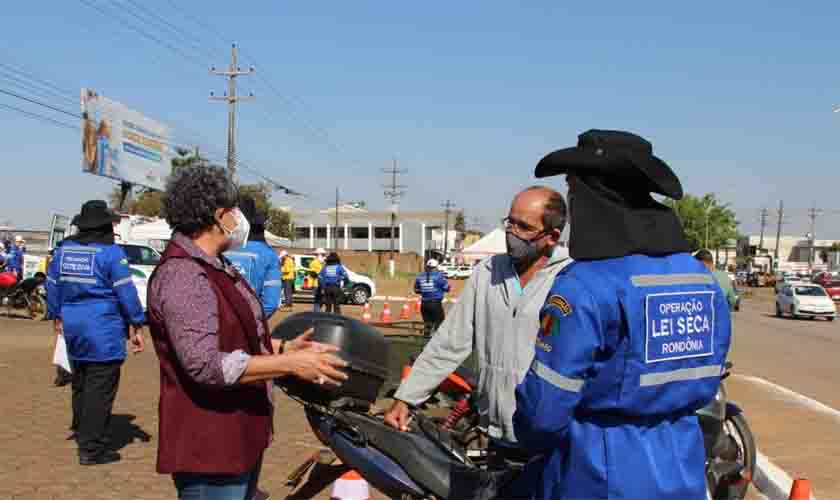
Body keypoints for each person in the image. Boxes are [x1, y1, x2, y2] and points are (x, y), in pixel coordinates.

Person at [514, 130, 732, 500]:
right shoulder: (701, 279)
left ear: (592, 194)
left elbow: (543, 413)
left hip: (597, 473)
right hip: (683, 466)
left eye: (572, 187)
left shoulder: (584, 285)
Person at [147, 166, 347, 500]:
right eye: (234, 210)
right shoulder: (184, 276)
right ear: (219, 215)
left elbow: (232, 333)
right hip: (210, 445)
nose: (240, 219)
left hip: (237, 434)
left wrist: (281, 348)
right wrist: (290, 365)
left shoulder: (216, 264)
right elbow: (205, 365)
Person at [384, 186, 571, 462]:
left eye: (524, 227)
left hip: (550, 442)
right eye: (510, 222)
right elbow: (449, 343)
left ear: (552, 237)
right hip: (496, 434)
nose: (512, 233)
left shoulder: (571, 279)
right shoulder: (487, 273)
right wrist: (407, 397)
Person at [45, 200, 146, 465]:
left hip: (73, 324)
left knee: (80, 381)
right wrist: (136, 321)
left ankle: (81, 429)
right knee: (100, 387)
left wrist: (56, 315)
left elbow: (52, 285)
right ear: (104, 227)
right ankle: (92, 448)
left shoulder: (64, 250)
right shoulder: (111, 254)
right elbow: (126, 291)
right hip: (103, 326)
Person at [223, 196, 282, 321]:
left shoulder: (219, 248)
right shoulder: (269, 255)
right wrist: (248, 325)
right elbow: (271, 304)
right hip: (248, 330)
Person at [414, 258, 450, 336]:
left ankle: (425, 340)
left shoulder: (419, 276)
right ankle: (437, 343)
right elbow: (447, 288)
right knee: (439, 323)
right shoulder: (439, 276)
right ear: (436, 267)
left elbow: (416, 290)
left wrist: (425, 292)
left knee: (427, 324)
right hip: (435, 304)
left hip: (424, 304)